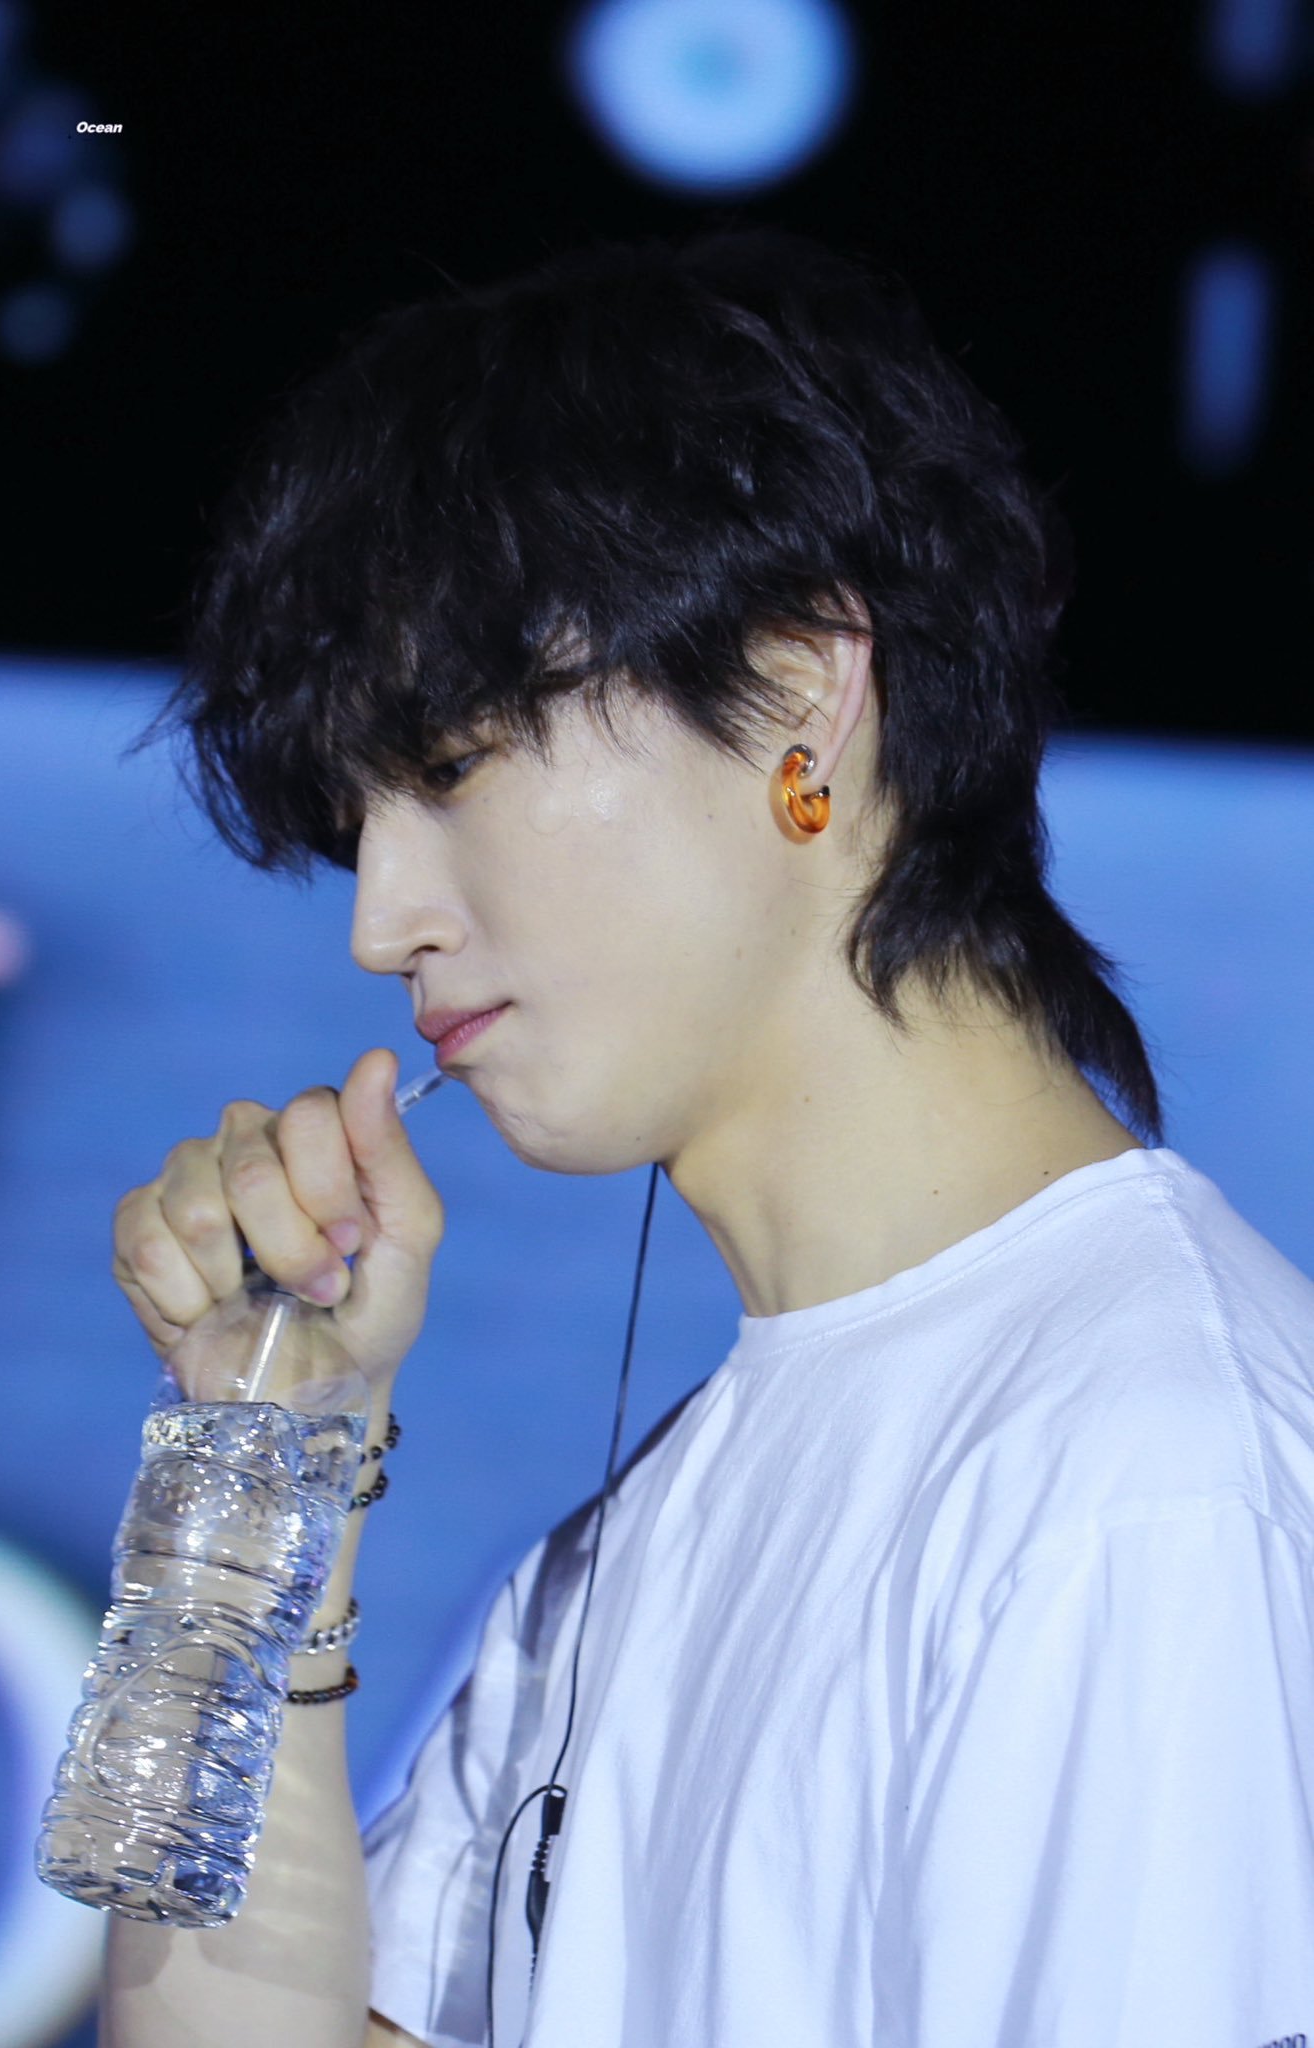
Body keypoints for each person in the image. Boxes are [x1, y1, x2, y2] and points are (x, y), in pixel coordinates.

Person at [101, 227, 1314, 2048]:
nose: (380, 920)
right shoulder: (638, 1536)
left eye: (447, 764)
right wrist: (259, 1477)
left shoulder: (1144, 1488)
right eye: (355, 820)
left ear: (799, 686)